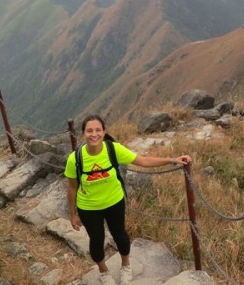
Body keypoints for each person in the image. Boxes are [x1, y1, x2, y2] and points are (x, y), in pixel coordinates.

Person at [65, 114, 193, 285]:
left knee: (121, 236)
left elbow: (143, 160)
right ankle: (104, 272)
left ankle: (126, 265)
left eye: (98, 130)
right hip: (88, 208)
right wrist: (72, 214)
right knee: (96, 240)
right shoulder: (75, 159)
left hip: (115, 202)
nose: (94, 134)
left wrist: (172, 160)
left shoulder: (113, 149)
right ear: (83, 134)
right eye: (89, 131)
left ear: (104, 132)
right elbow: (72, 187)